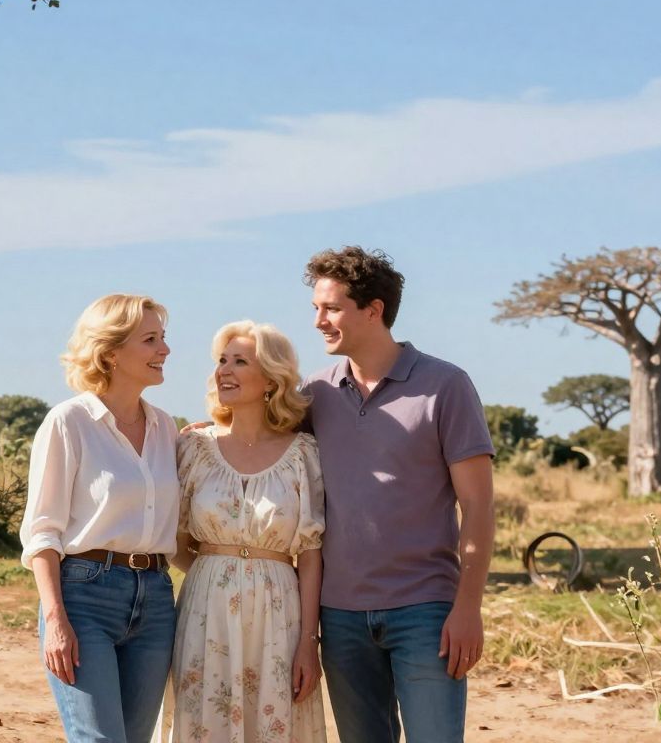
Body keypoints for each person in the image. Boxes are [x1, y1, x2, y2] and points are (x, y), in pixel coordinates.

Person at [302, 247, 495, 743]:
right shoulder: (314, 394)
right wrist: (208, 433)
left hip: (425, 611)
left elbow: (477, 506)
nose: (319, 320)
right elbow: (259, 443)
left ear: (373, 309)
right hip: (339, 616)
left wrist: (468, 607)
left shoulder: (446, 385)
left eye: (331, 308)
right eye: (316, 309)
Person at [21, 294, 183, 743]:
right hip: (85, 598)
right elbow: (42, 532)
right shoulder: (68, 422)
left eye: (163, 339)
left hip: (155, 599)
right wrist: (55, 619)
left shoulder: (166, 428)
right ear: (111, 353)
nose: (164, 351)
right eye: (150, 340)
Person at [159, 321, 327, 743]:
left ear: (271, 378)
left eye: (239, 361)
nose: (224, 371)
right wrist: (220, 571)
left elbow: (310, 555)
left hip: (279, 613)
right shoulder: (194, 448)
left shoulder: (303, 453)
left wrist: (309, 642)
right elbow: (175, 541)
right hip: (205, 609)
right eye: (221, 361)